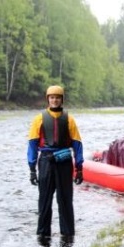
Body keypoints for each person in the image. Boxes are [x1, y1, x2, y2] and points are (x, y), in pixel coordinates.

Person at [27, 85, 84, 238]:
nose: (55, 100)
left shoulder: (69, 120)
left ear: (62, 99)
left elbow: (77, 144)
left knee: (65, 199)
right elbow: (32, 144)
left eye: (58, 97)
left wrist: (79, 168)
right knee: (44, 199)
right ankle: (43, 235)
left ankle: (68, 235)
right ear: (48, 99)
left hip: (64, 162)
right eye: (52, 97)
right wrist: (32, 169)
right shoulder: (38, 119)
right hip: (45, 162)